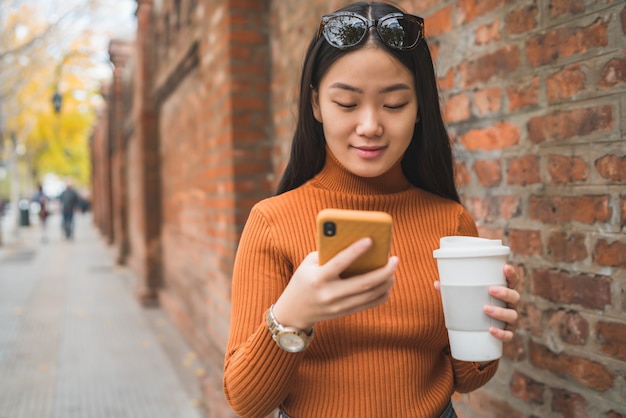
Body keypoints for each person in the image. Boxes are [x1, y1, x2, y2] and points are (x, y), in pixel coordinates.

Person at [223, 2, 520, 417]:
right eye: (346, 103)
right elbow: (245, 401)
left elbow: (468, 378)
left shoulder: (449, 221)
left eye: (395, 104)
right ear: (315, 105)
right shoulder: (272, 222)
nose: (370, 125)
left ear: (420, 109)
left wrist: (487, 332)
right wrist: (293, 313)